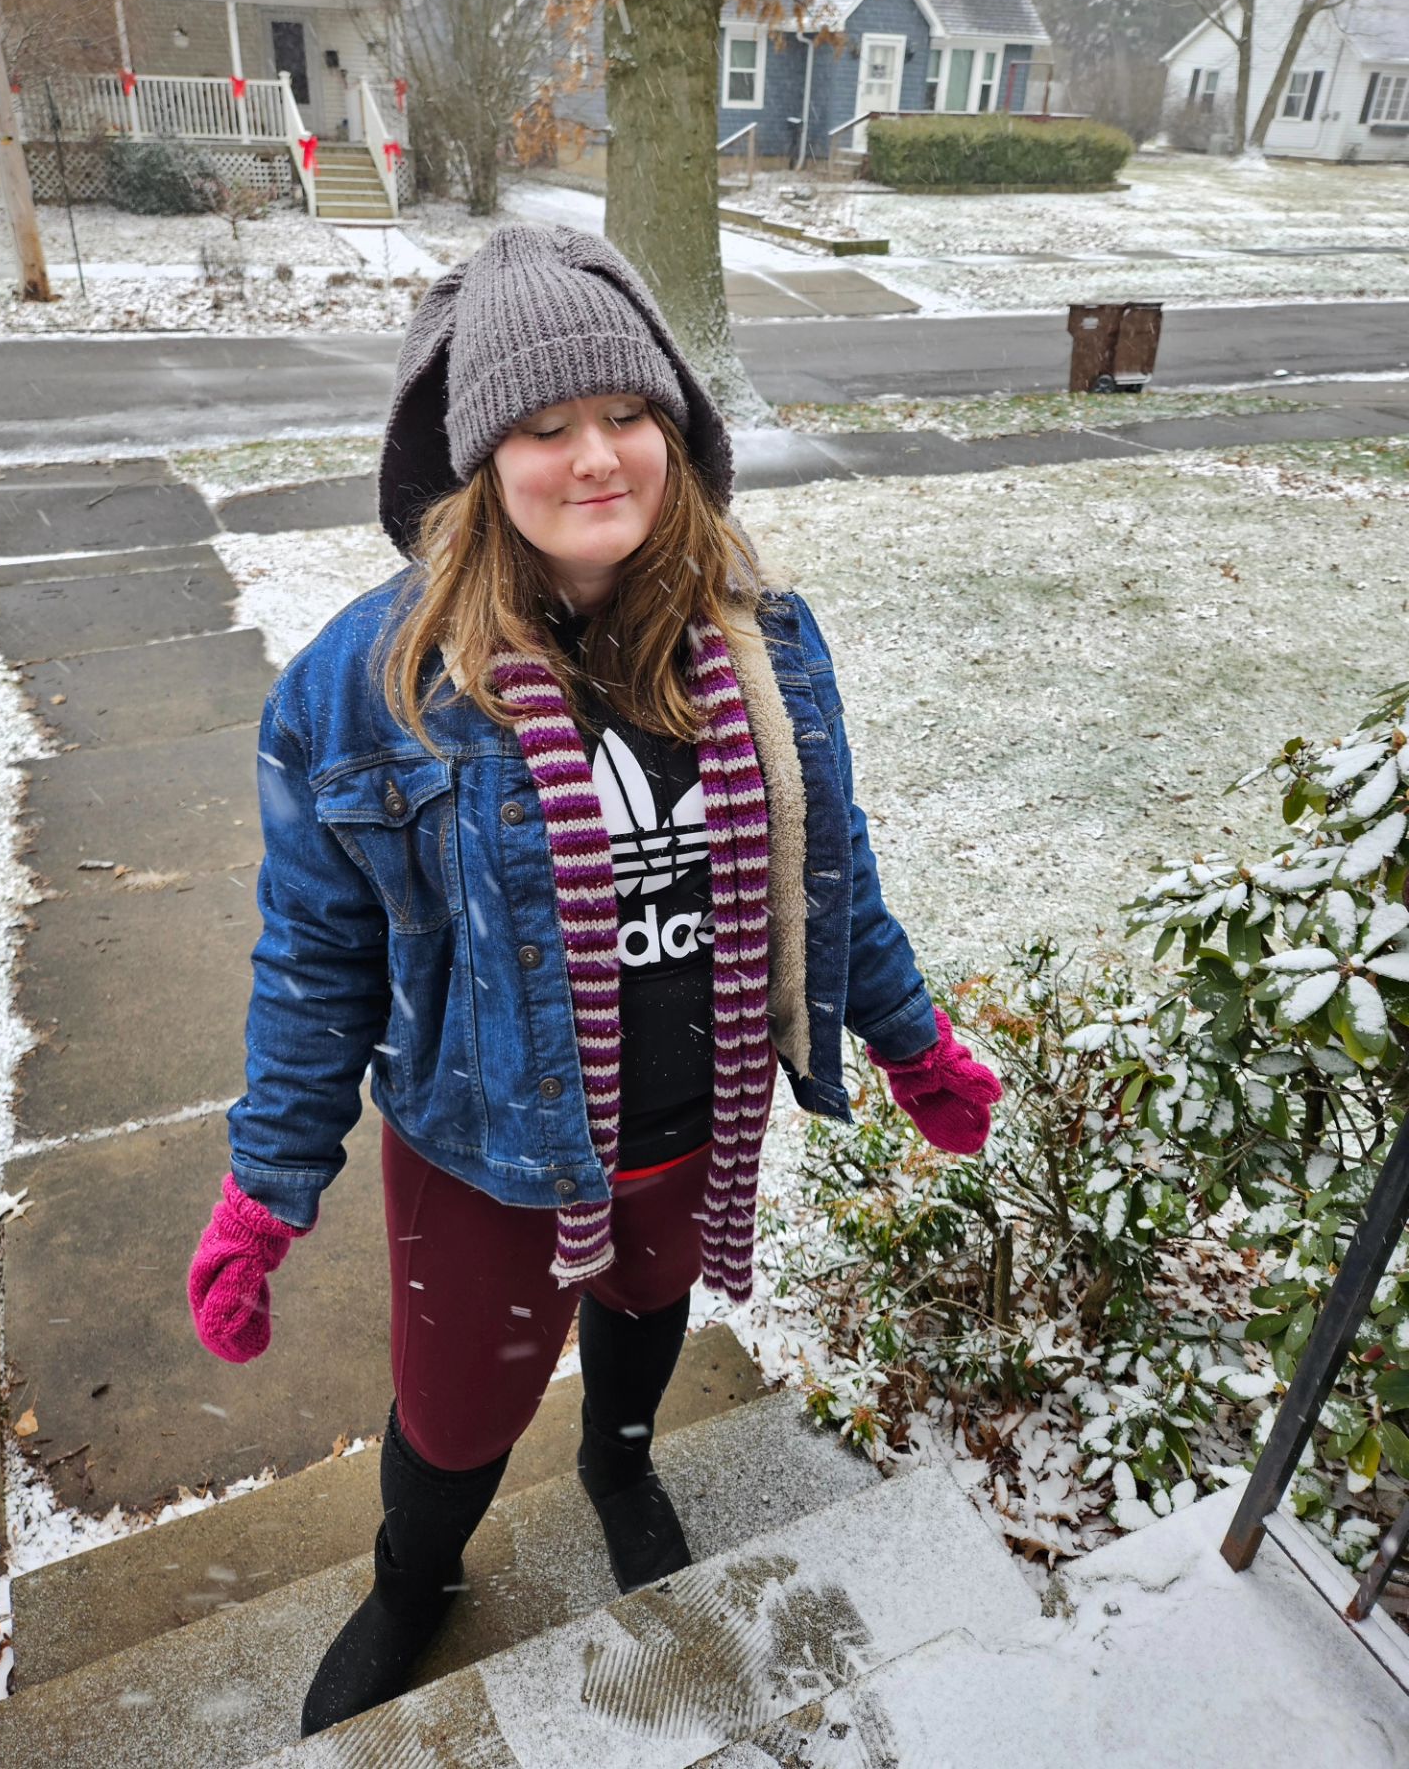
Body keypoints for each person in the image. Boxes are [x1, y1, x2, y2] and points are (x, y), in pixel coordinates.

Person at [185, 222, 1002, 1739]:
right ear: (476, 460)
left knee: (647, 1305)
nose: (595, 456)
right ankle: (414, 1577)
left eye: (627, 413)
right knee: (457, 1407)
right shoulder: (368, 687)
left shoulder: (762, 640)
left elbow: (830, 869)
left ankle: (621, 1465)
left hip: (692, 1121)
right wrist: (267, 1187)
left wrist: (909, 1040)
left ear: (676, 432)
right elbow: (314, 960)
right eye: (543, 426)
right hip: (489, 1153)